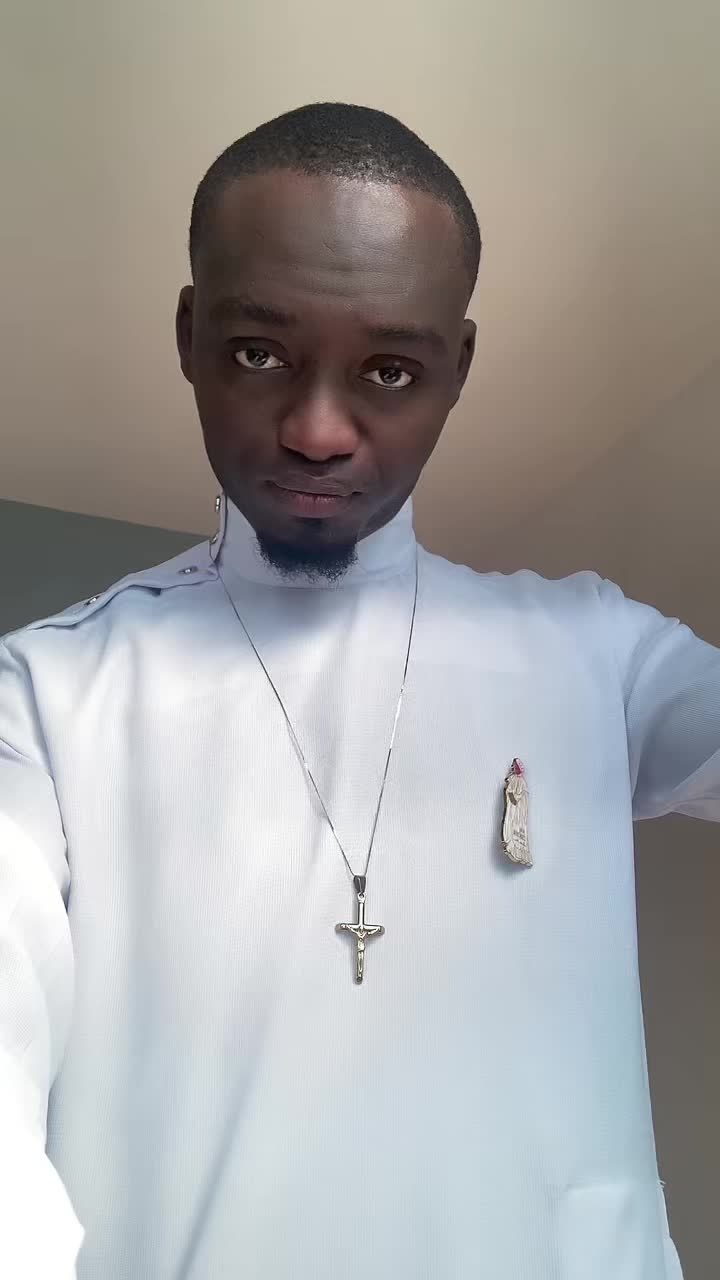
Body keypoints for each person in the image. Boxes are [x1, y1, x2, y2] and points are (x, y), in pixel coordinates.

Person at [0, 101, 715, 1280]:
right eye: (258, 352)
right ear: (190, 334)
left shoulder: (598, 651)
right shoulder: (46, 695)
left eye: (389, 369)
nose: (318, 429)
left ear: (457, 368)